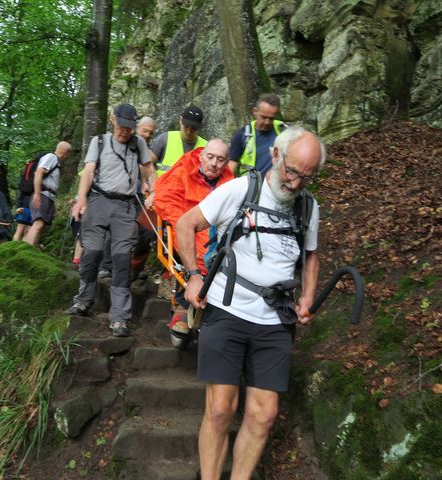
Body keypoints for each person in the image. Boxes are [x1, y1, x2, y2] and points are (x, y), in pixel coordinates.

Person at [176, 126, 325, 479]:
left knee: (264, 414)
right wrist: (194, 275)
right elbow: (186, 224)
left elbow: (312, 255)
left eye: (307, 176)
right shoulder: (242, 189)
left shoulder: (308, 206)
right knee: (219, 410)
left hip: (276, 319)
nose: (296, 183)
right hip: (227, 310)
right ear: (276, 156)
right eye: (292, 171)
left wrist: (306, 297)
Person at [69, 103, 156, 337]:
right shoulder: (100, 142)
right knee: (92, 252)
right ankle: (83, 300)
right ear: (113, 120)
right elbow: (88, 172)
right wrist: (81, 200)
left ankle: (119, 317)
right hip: (99, 200)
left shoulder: (139, 144)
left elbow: (149, 169)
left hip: (126, 205)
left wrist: (152, 190)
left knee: (121, 259)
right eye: (121, 126)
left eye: (129, 128)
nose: (124, 132)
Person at [153, 139, 234, 344]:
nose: (214, 163)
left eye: (220, 159)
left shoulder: (231, 182)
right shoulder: (183, 169)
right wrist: (185, 224)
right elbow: (166, 198)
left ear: (226, 163)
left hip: (218, 230)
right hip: (188, 222)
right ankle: (183, 305)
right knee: (199, 254)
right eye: (210, 157)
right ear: (201, 156)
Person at [98, 115, 157, 281]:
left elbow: (150, 169)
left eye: (150, 133)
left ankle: (132, 268)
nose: (147, 135)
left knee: (144, 232)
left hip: (141, 196)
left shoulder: (147, 148)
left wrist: (151, 187)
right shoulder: (125, 144)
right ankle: (106, 266)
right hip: (121, 194)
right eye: (144, 131)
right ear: (137, 128)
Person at [23, 141, 72, 246]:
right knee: (38, 223)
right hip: (43, 194)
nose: (68, 157)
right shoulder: (51, 157)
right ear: (66, 152)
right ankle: (25, 249)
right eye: (69, 153)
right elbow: (39, 172)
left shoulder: (55, 161)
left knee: (41, 225)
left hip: (48, 196)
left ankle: (30, 249)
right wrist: (37, 193)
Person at [228, 93, 286, 176]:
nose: (267, 122)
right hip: (249, 186)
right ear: (255, 111)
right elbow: (231, 167)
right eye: (264, 117)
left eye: (271, 118)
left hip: (275, 186)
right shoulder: (241, 135)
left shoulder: (283, 131)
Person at [151, 106, 207, 177]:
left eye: (194, 128)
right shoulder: (165, 139)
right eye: (186, 126)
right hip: (164, 187)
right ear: (180, 120)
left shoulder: (207, 147)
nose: (189, 131)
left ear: (200, 126)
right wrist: (152, 181)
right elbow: (147, 163)